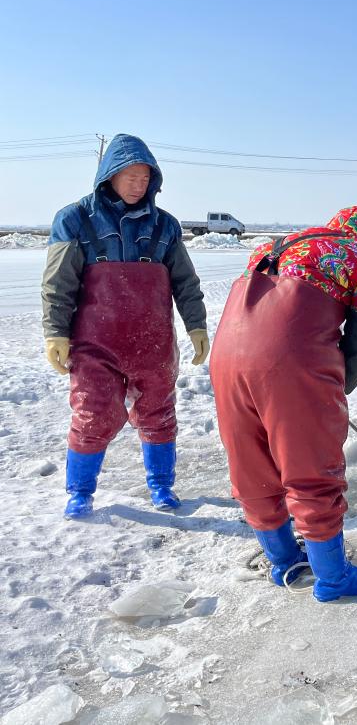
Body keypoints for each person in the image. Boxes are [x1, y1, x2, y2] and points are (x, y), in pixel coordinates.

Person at [209, 206, 357, 602]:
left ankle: (285, 562)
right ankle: (333, 577)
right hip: (288, 363)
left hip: (226, 358)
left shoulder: (275, 245)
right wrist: (333, 390)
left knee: (251, 463)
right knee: (310, 468)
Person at [42, 134, 209, 519]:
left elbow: (185, 281)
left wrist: (196, 325)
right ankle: (80, 492)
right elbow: (57, 283)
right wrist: (56, 332)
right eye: (130, 175)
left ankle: (161, 487)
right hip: (94, 344)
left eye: (146, 177)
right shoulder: (74, 219)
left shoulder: (166, 226)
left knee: (159, 414)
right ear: (110, 175)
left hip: (153, 345)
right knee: (92, 413)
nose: (139, 184)